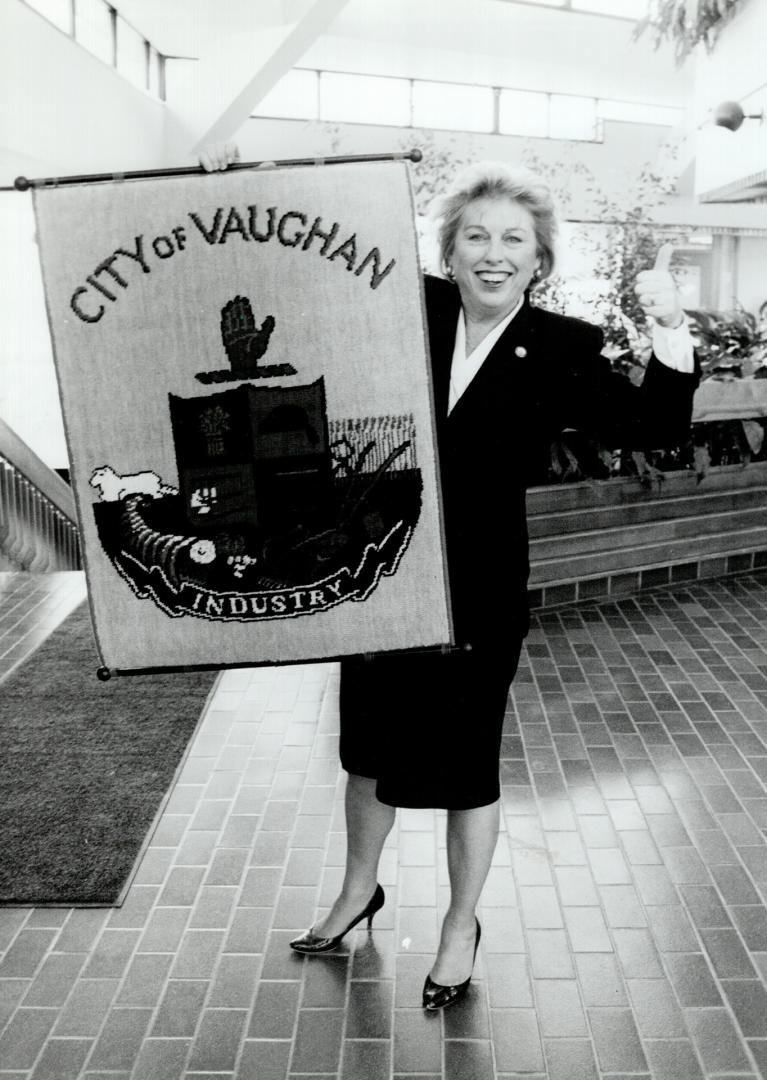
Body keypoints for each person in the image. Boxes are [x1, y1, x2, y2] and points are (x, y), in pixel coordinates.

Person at [200, 146, 698, 1009]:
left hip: (478, 586)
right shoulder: (408, 307)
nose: (492, 253)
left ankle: (460, 924)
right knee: (366, 751)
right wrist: (234, 187)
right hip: (377, 573)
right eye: (475, 236)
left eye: (513, 238)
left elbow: (653, 425)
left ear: (538, 258)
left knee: (467, 763)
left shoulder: (561, 348)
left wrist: (667, 328)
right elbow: (298, 267)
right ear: (449, 250)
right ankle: (359, 892)